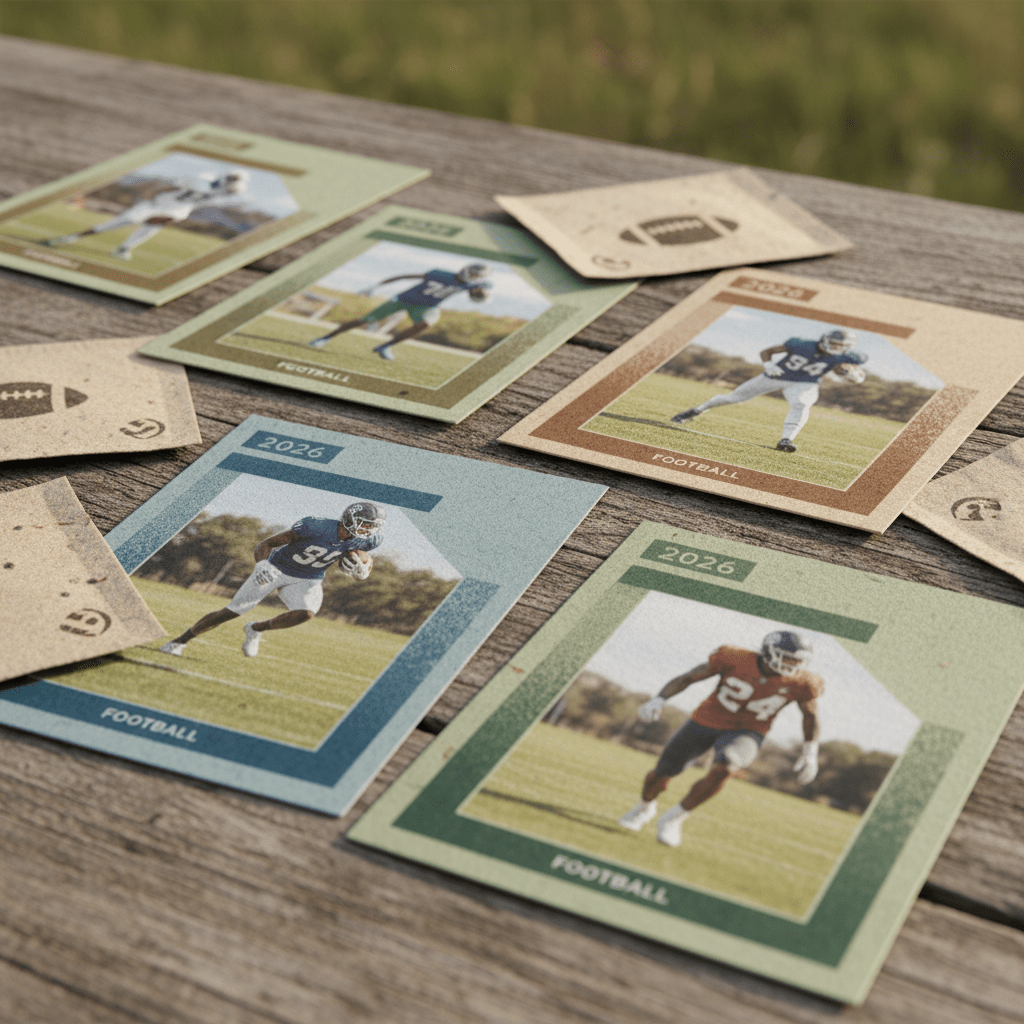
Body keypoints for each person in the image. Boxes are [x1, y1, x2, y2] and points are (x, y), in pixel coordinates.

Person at [618, 630, 823, 847]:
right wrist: (660, 698)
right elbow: (689, 676)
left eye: (797, 660)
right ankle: (644, 808)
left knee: (727, 767)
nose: (791, 664)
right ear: (768, 651)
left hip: (749, 730)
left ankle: (675, 818)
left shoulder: (805, 682)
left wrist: (811, 751)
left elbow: (810, 715)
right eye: (787, 657)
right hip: (705, 720)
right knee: (661, 773)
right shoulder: (733, 657)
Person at [159, 501, 386, 659]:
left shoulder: (369, 541)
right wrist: (262, 564)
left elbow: (361, 557)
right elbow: (265, 544)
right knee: (233, 611)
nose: (368, 529)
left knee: (305, 614)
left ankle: (256, 629)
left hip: (308, 577)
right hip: (275, 568)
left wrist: (365, 569)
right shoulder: (314, 526)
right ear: (349, 518)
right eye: (364, 523)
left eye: (371, 525)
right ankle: (180, 641)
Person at [669, 328, 868, 453]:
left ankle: (786, 439)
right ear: (825, 340)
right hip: (776, 374)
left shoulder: (848, 356)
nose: (837, 347)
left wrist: (845, 373)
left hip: (805, 382)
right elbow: (768, 352)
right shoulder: (801, 344)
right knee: (733, 398)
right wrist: (768, 365)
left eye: (842, 346)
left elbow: (835, 367)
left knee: (801, 404)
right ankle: (697, 410)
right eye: (834, 343)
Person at [38, 168, 250, 261]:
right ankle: (69, 237)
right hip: (158, 203)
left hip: (175, 210)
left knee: (155, 227)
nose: (229, 186)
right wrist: (152, 197)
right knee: (125, 221)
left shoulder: (221, 195)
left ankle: (123, 249)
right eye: (230, 181)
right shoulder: (202, 178)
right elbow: (169, 186)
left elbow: (220, 195)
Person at [307, 262, 492, 360]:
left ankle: (385, 346)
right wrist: (376, 286)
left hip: (425, 307)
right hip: (402, 299)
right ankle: (324, 338)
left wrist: (482, 294)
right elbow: (404, 276)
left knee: (425, 324)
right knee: (363, 321)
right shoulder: (440, 274)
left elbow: (479, 296)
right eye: (474, 274)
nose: (474, 277)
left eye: (477, 276)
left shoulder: (472, 285)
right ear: (467, 270)